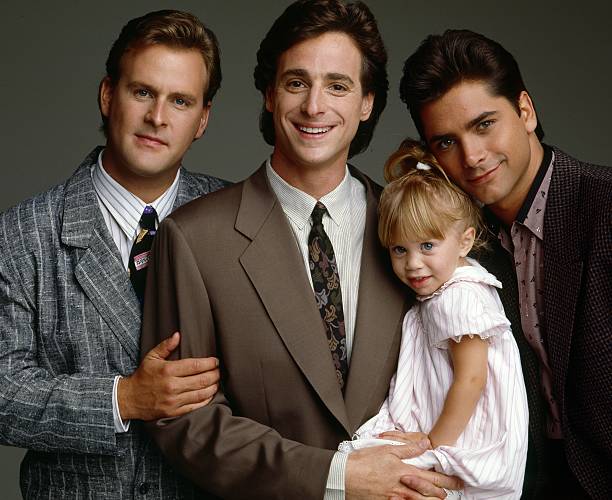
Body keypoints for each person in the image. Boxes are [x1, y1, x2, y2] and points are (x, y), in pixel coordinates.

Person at [141, 1, 461, 498]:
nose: (315, 106)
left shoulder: (419, 230)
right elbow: (187, 423)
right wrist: (335, 477)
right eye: (296, 83)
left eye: (338, 85)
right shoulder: (194, 238)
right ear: (270, 95)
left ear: (366, 103)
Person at [0, 10, 229, 498]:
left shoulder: (236, 219)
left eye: (181, 101)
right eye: (142, 92)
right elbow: (2, 392)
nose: (158, 117)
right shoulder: (23, 233)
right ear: (108, 96)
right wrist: (122, 398)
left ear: (202, 120)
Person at [399, 29, 612, 499]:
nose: (472, 157)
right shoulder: (455, 243)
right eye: (447, 142)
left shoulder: (603, 207)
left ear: (526, 111)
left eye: (483, 125)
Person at [339, 139, 528, 499]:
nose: (413, 263)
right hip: (445, 420)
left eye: (427, 246)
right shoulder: (440, 291)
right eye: (400, 249)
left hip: (463, 434)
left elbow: (472, 378)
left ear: (464, 241)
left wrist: (432, 443)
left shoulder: (460, 295)